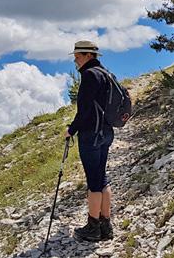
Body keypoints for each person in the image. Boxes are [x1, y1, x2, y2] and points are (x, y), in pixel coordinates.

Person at [65, 40, 114, 242]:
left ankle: (92, 227)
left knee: (93, 182)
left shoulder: (89, 75)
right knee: (101, 177)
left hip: (91, 135)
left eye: (77, 56)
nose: (75, 60)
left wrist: (71, 130)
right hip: (106, 132)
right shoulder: (107, 74)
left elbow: (84, 110)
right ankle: (106, 225)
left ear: (88, 56)